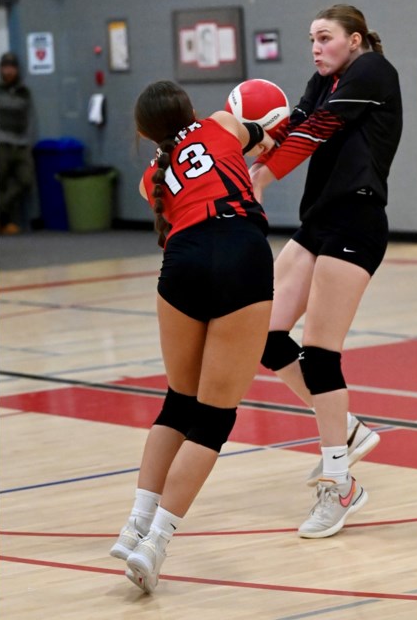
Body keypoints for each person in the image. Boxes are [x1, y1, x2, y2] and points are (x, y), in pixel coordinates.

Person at [110, 80, 276, 594]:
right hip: (240, 250)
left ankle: (136, 523)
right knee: (214, 416)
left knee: (177, 404)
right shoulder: (222, 124)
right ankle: (155, 543)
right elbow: (266, 137)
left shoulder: (148, 182)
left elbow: (177, 168)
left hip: (181, 262)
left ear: (143, 133)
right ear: (192, 108)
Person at [249, 5, 403, 539]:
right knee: (262, 333)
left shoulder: (373, 71)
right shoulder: (326, 80)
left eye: (324, 38)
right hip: (318, 221)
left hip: (356, 220)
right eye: (311, 38)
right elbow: (293, 123)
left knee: (318, 352)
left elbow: (317, 129)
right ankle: (350, 430)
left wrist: (265, 174)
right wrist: (249, 139)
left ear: (354, 39)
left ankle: (341, 485)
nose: (315, 47)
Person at [0, 51, 37, 235]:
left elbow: (30, 118)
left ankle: (0, 210)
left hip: (21, 144)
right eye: (5, 67)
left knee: (25, 180)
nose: (8, 71)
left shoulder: (24, 92)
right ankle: (4, 222)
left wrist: (29, 141)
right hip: (1, 143)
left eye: (12, 68)